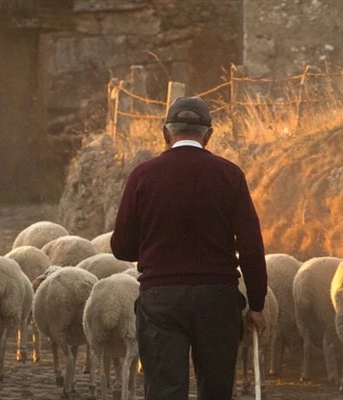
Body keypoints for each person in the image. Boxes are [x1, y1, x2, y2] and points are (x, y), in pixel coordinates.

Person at [110, 96, 268, 400]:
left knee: (165, 390)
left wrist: (155, 251)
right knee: (217, 390)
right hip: (217, 299)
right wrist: (257, 304)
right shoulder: (230, 175)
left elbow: (121, 246)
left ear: (165, 133)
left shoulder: (143, 175)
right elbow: (250, 247)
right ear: (208, 135)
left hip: (161, 299)